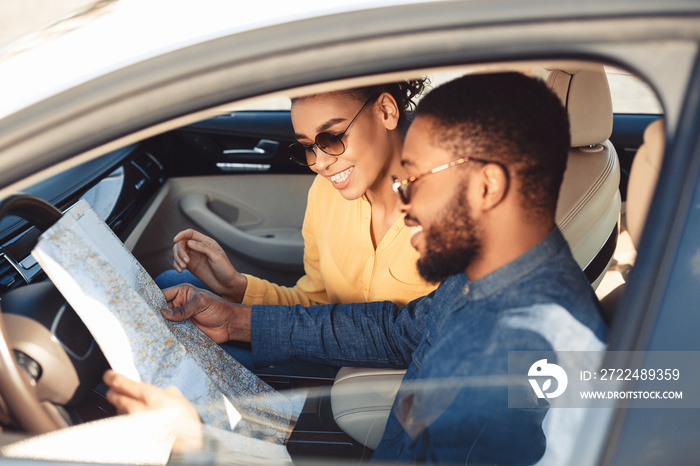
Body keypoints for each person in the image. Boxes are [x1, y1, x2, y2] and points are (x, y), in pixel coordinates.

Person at [106, 72, 608, 464]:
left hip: (363, 389)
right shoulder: (482, 284)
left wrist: (207, 448)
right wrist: (236, 309)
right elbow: (397, 328)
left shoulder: (496, 368)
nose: (403, 204)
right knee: (175, 289)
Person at [155, 80, 438, 375]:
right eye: (308, 147)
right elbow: (315, 302)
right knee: (170, 285)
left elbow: (415, 333)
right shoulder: (326, 193)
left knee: (181, 346)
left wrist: (237, 321)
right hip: (323, 343)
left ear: (386, 111)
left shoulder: (452, 212)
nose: (319, 163)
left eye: (332, 137)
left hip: (396, 373)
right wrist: (237, 287)